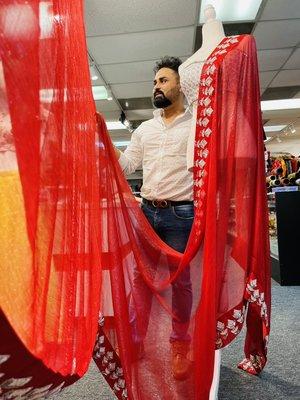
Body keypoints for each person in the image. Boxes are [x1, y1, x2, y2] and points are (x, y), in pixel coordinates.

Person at [114, 56, 194, 381]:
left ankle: (179, 345)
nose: (156, 86)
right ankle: (136, 341)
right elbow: (128, 165)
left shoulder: (197, 127)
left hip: (182, 213)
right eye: (155, 82)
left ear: (180, 84)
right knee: (140, 280)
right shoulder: (145, 129)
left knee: (181, 283)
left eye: (163, 80)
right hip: (147, 212)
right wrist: (105, 143)